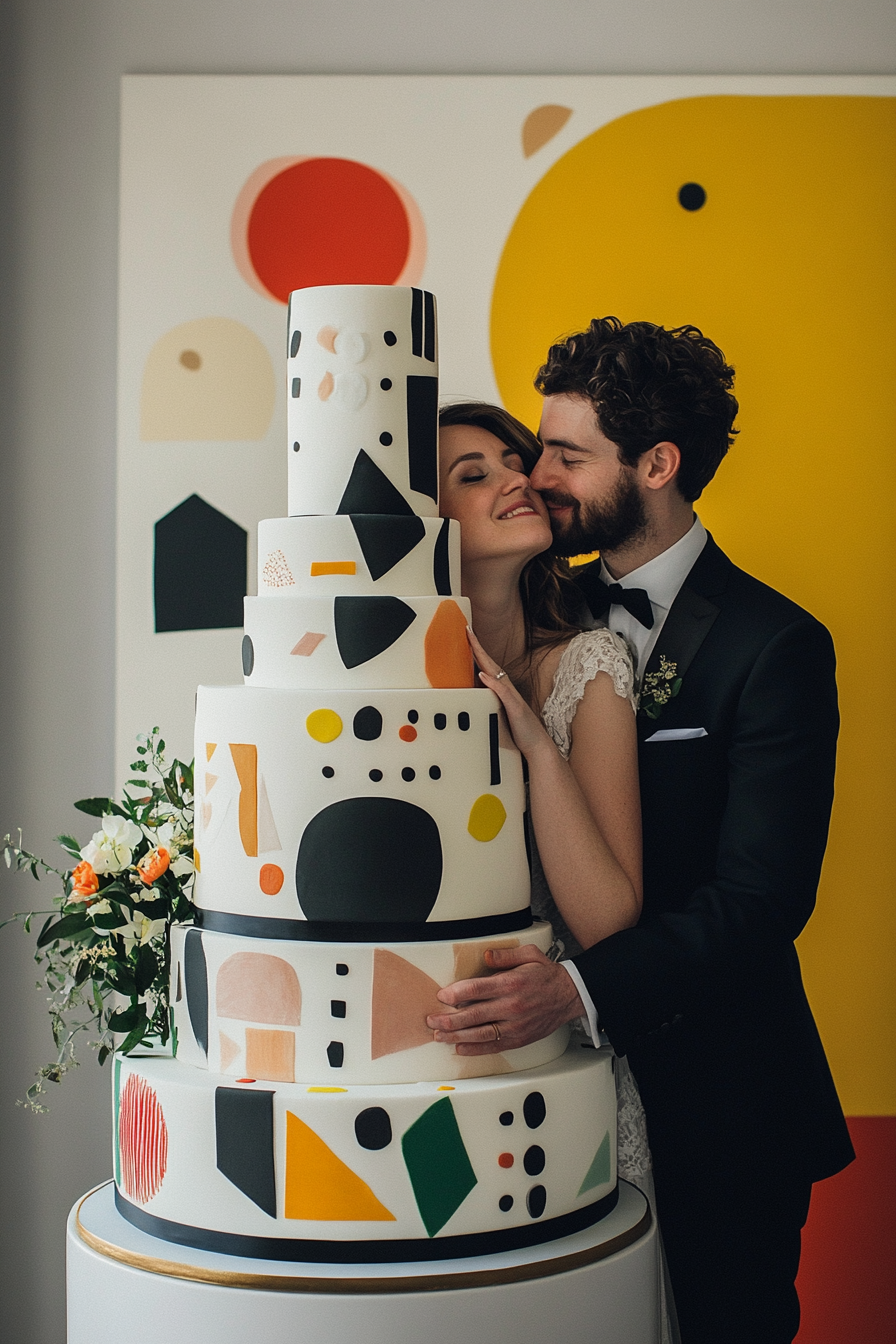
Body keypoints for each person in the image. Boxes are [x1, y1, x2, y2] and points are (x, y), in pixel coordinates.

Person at [429, 323, 854, 1344]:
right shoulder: (529, 606)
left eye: (566, 456)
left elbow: (759, 903)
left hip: (722, 1102)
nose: (538, 476)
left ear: (655, 466)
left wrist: (575, 989)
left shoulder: (774, 644)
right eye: (534, 450)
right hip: (536, 1098)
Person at [438, 401, 678, 1344]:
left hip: (553, 1077)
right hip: (412, 1072)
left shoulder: (588, 663)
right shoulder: (373, 681)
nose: (516, 478)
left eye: (514, 458)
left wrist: (535, 743)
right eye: (472, 474)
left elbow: (611, 916)